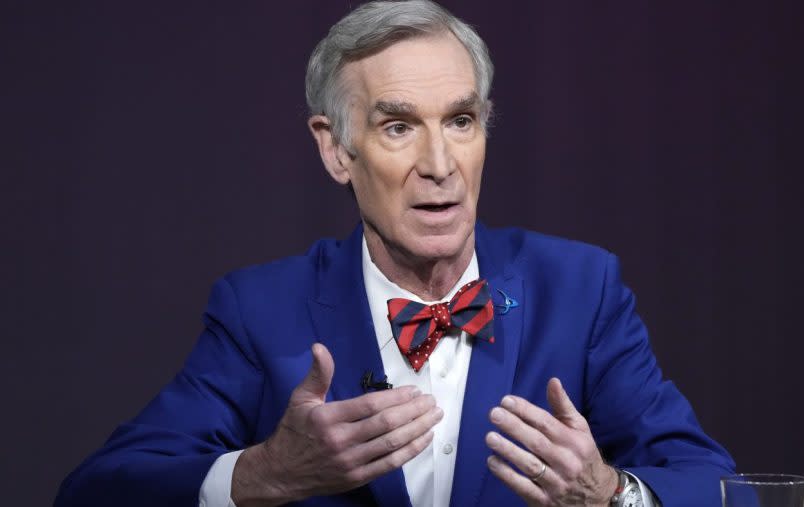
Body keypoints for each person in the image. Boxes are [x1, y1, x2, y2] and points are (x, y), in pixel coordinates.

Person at [55, 1, 735, 506]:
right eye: (399, 126)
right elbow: (98, 489)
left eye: (461, 121)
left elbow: (722, 487)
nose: (440, 164)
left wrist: (610, 493)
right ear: (334, 149)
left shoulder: (580, 290)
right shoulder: (262, 310)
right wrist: (267, 472)